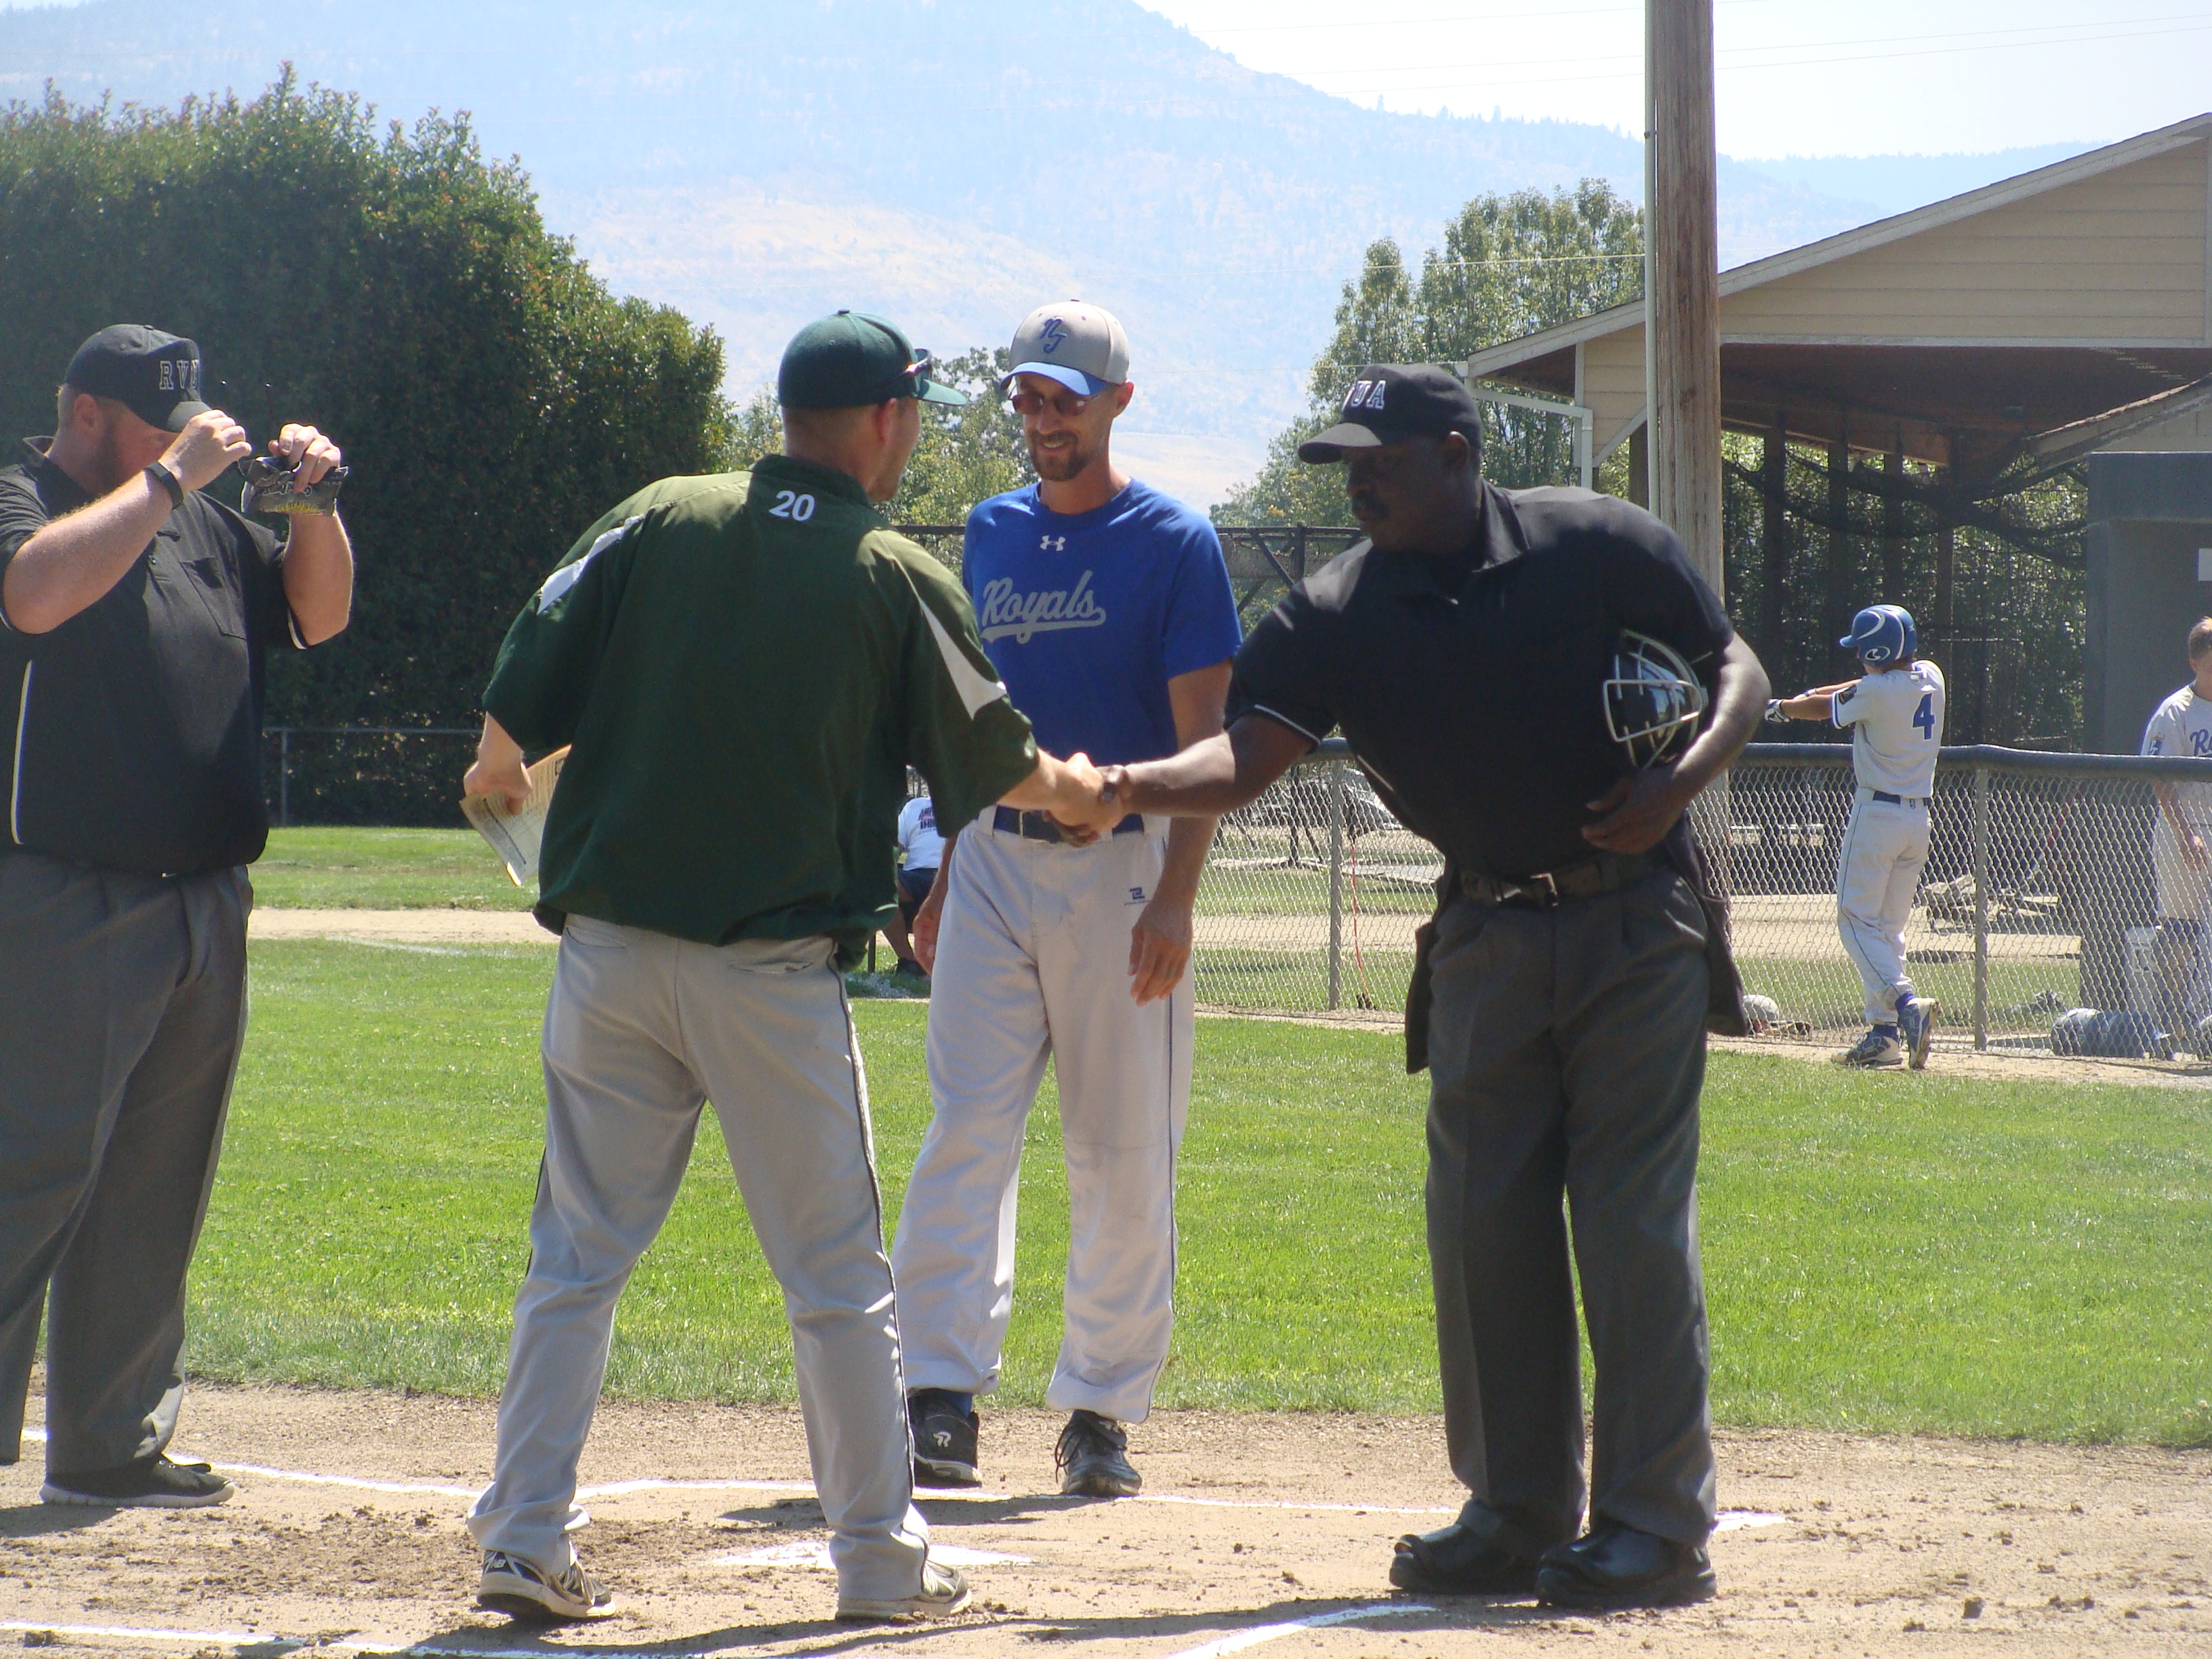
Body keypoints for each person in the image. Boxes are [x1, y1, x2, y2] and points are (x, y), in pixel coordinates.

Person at [458, 310, 1116, 1626]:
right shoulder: (887, 568)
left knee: (574, 1260)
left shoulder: (661, 513)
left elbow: (516, 700)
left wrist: (501, 762)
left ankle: (524, 1535)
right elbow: (1002, 764)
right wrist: (1084, 794)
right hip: (768, 977)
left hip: (608, 957)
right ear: (885, 419)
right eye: (910, 410)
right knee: (835, 1281)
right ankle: (878, 1557)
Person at [1097, 364, 1769, 1611]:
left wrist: (1680, 782)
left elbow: (1735, 666)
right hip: (1480, 932)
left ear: (1459, 456)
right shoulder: (1335, 612)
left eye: (1381, 462)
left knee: (1627, 1223)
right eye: (1345, 465)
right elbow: (1243, 758)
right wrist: (1124, 785)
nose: (1357, 484)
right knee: (1480, 1224)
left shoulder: (1592, 542)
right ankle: (1515, 1513)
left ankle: (1654, 1527)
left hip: (1633, 923)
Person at [0, 325, 353, 1506]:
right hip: (64, 895)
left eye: (187, 428)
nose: (184, 446)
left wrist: (314, 508)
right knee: (28, 1171)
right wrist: (166, 481)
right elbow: (33, 596)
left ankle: (109, 1439)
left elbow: (318, 616)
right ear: (86, 415)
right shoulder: (25, 497)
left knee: (156, 1186)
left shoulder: (199, 518)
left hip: (203, 898)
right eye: (158, 429)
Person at [893, 301, 1241, 1497]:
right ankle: (938, 1395)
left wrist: (1177, 898)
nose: (1042, 419)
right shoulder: (990, 531)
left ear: (1117, 403)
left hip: (1124, 866)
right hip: (991, 855)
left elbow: (1207, 745)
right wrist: (947, 874)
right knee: (965, 1128)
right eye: (1028, 398)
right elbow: (977, 732)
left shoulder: (1174, 541)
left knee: (1120, 1146)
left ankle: (1099, 1409)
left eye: (1064, 399)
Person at [1765, 605, 1946, 1069]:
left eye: (1864, 650)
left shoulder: (1878, 692)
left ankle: (1906, 1005)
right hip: (1918, 819)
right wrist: (1805, 695)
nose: (1860, 657)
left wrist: (1781, 708)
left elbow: (1830, 706)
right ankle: (1884, 1036)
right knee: (1886, 931)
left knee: (1854, 920)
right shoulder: (1931, 675)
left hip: (1877, 817)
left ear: (1879, 652)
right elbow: (1856, 689)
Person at [2137, 617, 2212, 1052]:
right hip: (2185, 831)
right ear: (2195, 663)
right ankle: (2170, 1025)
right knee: (2181, 931)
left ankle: (2203, 1025)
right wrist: (2185, 834)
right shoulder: (2175, 711)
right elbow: (2158, 777)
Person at [884, 792, 943, 988]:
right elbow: (894, 847)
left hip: (952, 874)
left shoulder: (967, 801)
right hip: (914, 876)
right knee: (880, 885)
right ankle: (910, 963)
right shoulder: (914, 807)